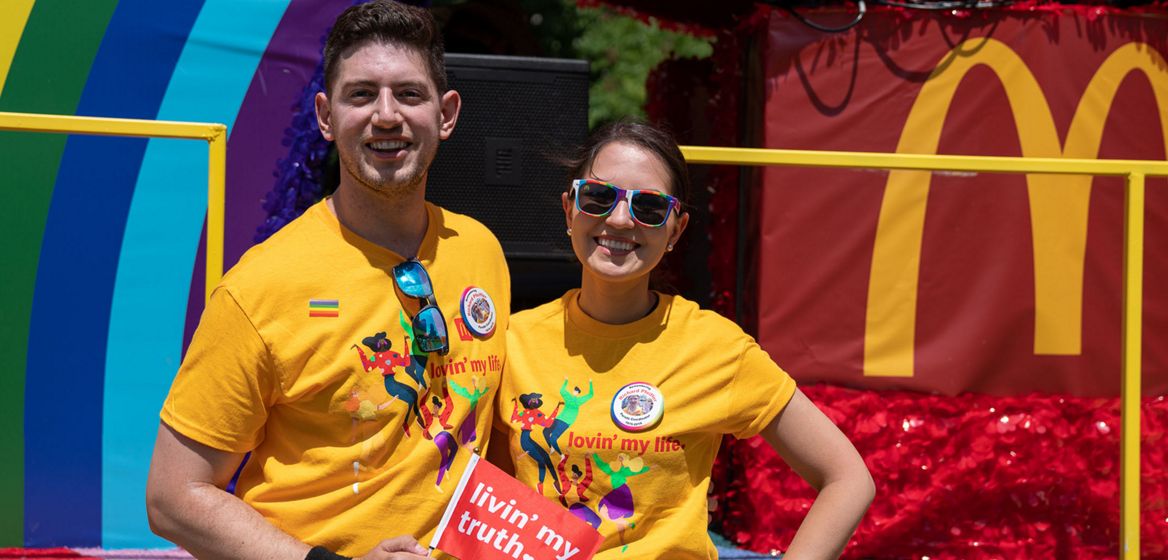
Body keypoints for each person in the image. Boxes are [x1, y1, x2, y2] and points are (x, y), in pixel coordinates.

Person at [145, 3, 510, 559]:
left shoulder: (482, 252)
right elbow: (173, 496)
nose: (386, 116)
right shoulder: (262, 285)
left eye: (409, 94)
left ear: (446, 113)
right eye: (361, 95)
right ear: (325, 115)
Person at [495, 120, 874, 558]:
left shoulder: (715, 347)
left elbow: (848, 478)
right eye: (598, 198)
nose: (619, 219)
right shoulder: (514, 339)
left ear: (675, 230)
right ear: (569, 209)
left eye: (650, 208)